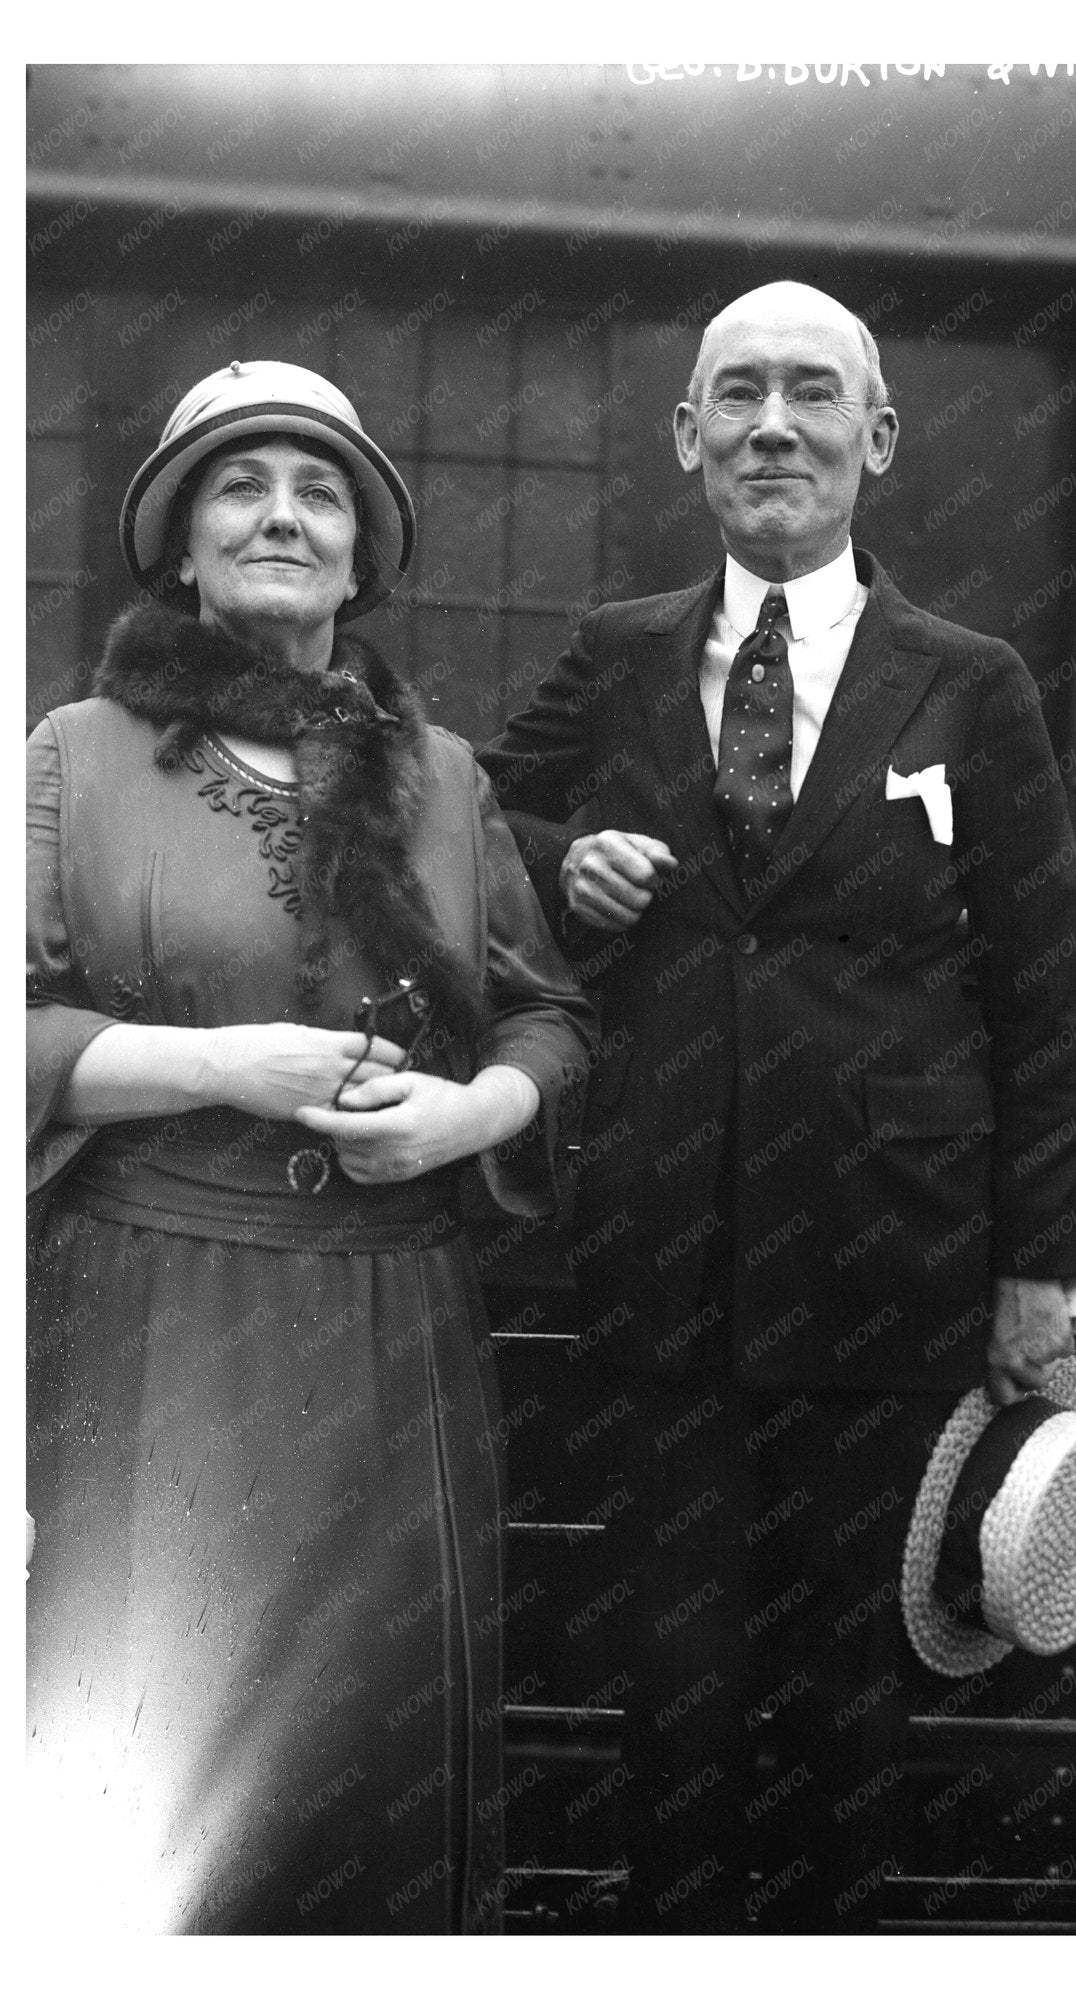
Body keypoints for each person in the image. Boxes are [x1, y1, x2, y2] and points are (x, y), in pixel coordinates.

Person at [478, 282, 1076, 1932]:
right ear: (687, 436)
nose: (775, 425)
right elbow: (466, 823)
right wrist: (563, 859)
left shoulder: (969, 684)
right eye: (740, 393)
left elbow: (1042, 986)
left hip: (887, 1268)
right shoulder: (619, 653)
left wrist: (1036, 1268)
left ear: (875, 437)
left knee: (849, 1700)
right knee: (670, 1692)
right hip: (660, 1258)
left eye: (813, 394)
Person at [26, 359, 595, 1935]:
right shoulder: (72, 754)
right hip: (154, 1315)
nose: (282, 515)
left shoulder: (445, 778)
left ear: (361, 558)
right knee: (144, 1736)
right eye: (240, 486)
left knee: (370, 1750)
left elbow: (551, 1021)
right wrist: (223, 1065)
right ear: (179, 546)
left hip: (388, 1324)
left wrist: (470, 1114)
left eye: (319, 492)